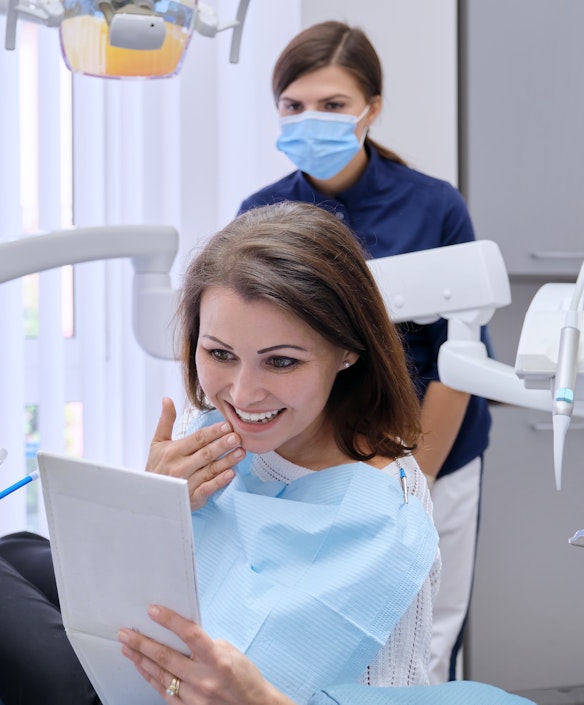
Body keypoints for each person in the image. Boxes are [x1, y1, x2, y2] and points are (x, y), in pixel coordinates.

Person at [0, 202, 440, 705]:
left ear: (348, 350)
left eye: (281, 362)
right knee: (13, 549)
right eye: (219, 354)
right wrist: (152, 504)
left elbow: (393, 685)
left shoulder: (390, 512)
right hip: (149, 643)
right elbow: (139, 579)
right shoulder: (210, 424)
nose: (242, 393)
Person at [236, 20, 491, 683]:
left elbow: (457, 362)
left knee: (424, 641)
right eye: (293, 106)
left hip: (430, 451)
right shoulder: (261, 215)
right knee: (315, 639)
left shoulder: (433, 207)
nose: (309, 120)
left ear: (371, 110)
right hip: (310, 457)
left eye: (332, 105)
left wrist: (413, 481)